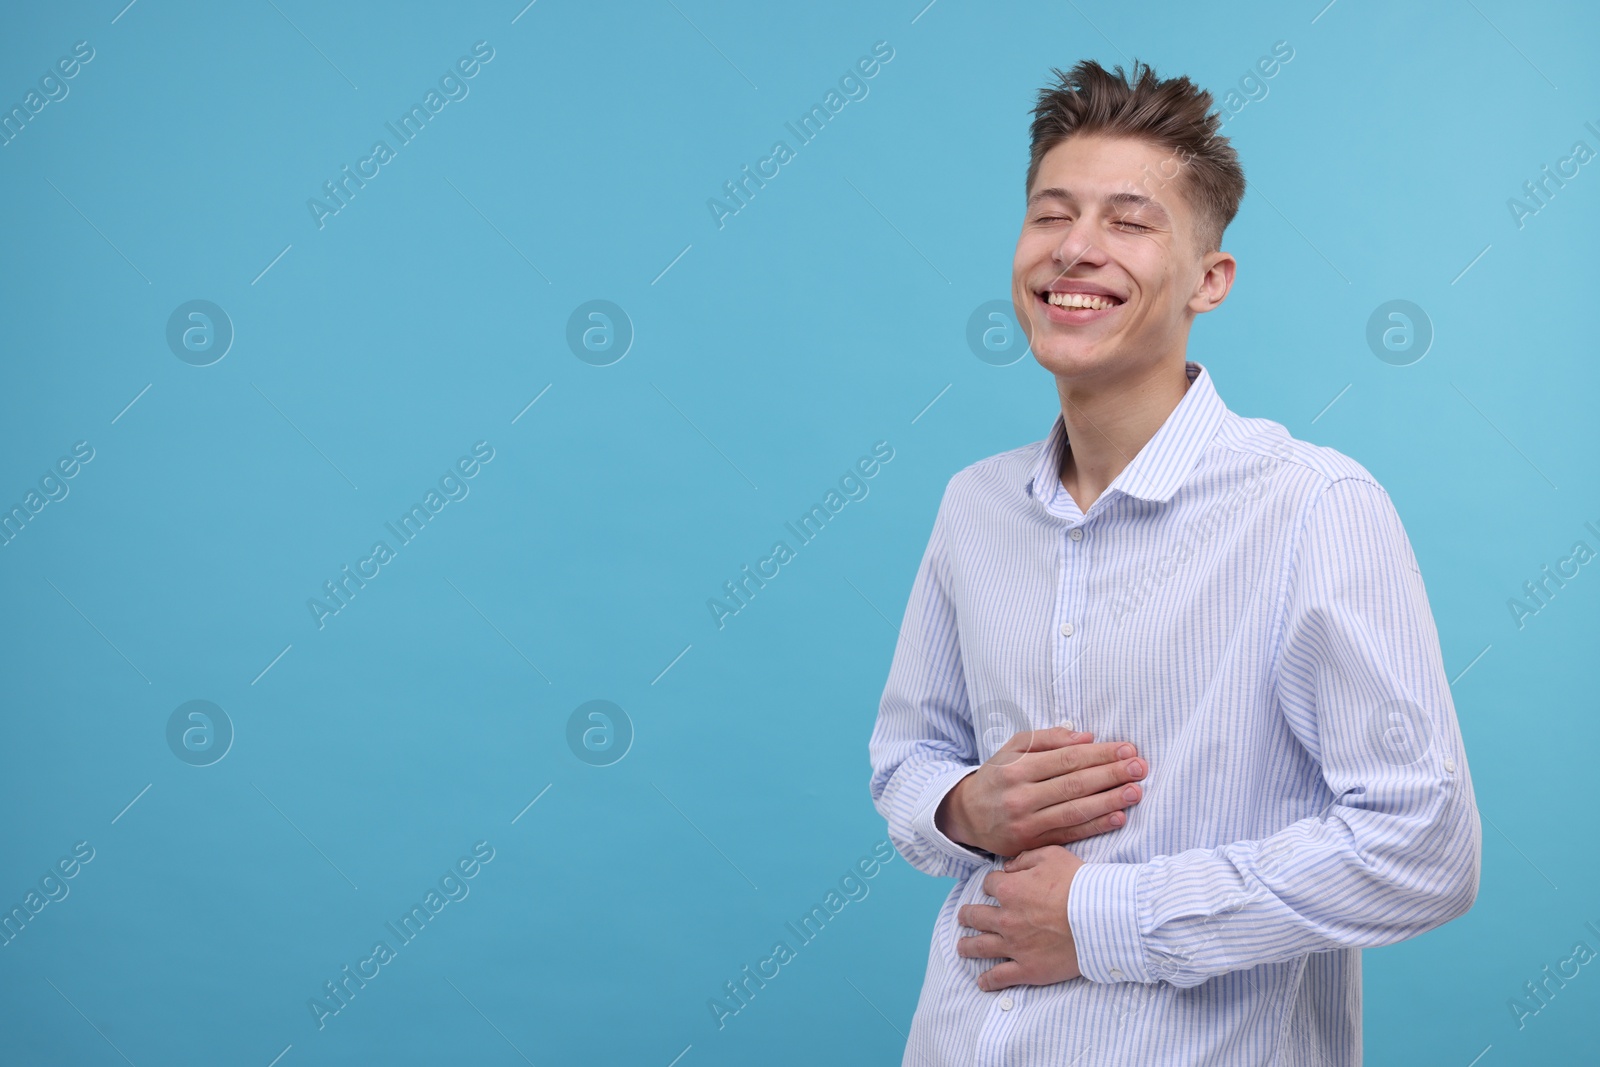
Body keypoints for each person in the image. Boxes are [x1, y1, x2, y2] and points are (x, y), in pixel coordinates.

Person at [867, 58, 1480, 1066]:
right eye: (1050, 213)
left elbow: (1421, 845)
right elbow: (907, 761)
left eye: (1129, 221)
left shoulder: (1312, 507)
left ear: (1209, 278)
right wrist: (962, 807)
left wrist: (1104, 917)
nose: (1075, 248)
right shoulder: (972, 506)